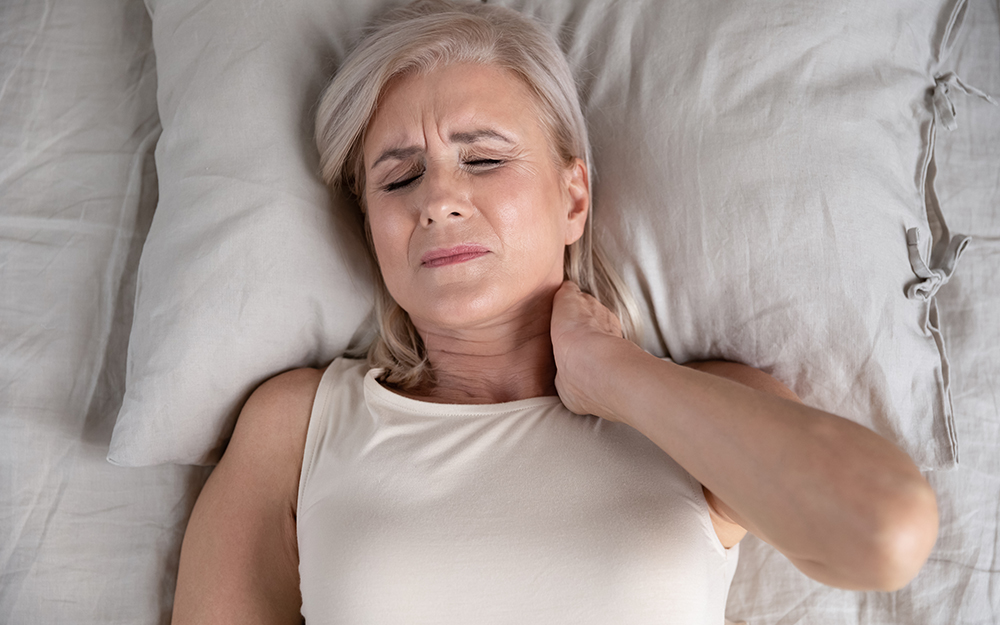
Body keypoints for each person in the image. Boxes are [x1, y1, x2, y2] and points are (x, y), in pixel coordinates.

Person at [171, 1, 939, 623]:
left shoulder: (696, 411)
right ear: (369, 226)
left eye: (484, 158)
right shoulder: (300, 425)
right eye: (399, 177)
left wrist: (614, 373)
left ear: (573, 197)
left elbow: (886, 534)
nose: (438, 200)